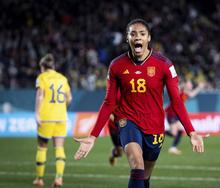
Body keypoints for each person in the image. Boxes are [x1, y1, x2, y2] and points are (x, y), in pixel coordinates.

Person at [74, 18, 206, 188]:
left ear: (148, 38)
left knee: (144, 177)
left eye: (142, 34)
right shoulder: (116, 65)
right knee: (137, 165)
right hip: (127, 121)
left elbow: (177, 102)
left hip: (154, 125)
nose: (138, 37)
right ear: (127, 38)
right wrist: (93, 136)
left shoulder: (164, 65)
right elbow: (109, 102)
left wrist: (191, 132)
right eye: (133, 34)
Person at [33, 54, 72, 187]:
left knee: (42, 148)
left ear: (42, 67)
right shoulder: (63, 78)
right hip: (61, 118)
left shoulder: (42, 77)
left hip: (46, 117)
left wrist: (37, 114)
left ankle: (39, 179)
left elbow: (39, 96)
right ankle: (59, 178)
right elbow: (69, 98)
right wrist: (62, 108)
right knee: (59, 148)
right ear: (53, 66)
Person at [165, 80, 205, 155]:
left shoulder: (187, 93)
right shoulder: (180, 91)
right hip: (171, 113)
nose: (191, 85)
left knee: (180, 130)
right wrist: (181, 85)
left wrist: (199, 87)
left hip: (177, 114)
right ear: (186, 85)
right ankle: (161, 132)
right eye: (189, 84)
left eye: (191, 84)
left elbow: (193, 94)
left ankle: (173, 148)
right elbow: (175, 90)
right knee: (174, 133)